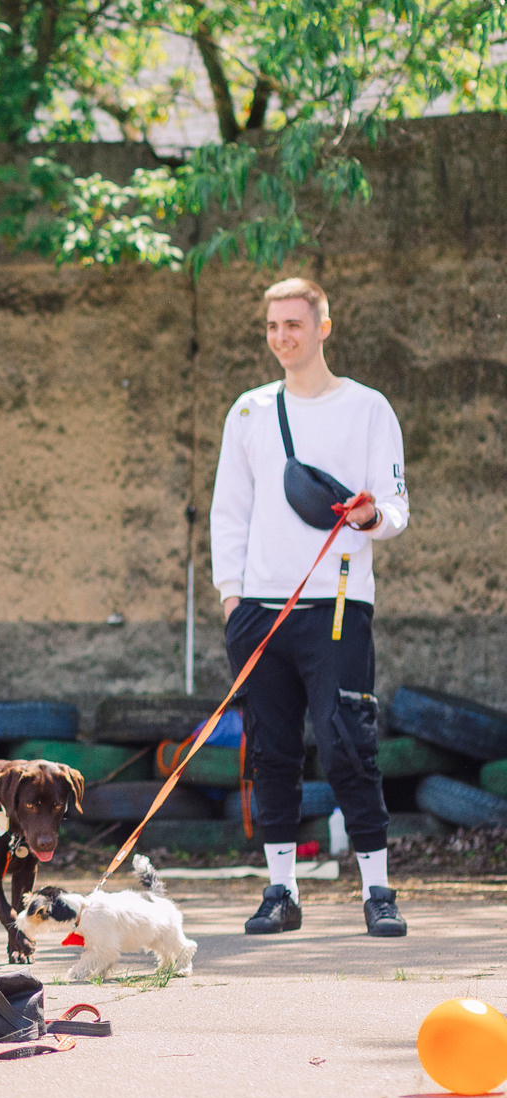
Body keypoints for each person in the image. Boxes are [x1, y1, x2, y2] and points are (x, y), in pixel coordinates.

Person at [212, 277, 410, 939]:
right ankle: (281, 890)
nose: (281, 337)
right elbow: (229, 512)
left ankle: (377, 889)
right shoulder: (247, 412)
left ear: (323, 326)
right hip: (260, 612)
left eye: (294, 324)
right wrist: (232, 596)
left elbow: (396, 507)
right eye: (272, 326)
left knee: (346, 743)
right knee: (270, 751)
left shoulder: (368, 409)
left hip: (338, 606)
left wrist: (371, 513)